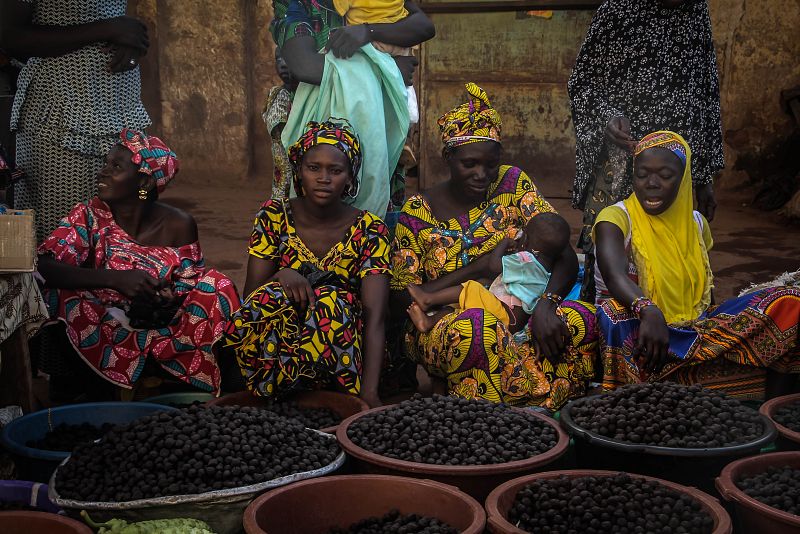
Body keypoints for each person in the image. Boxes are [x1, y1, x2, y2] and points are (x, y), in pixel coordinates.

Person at [391, 83, 598, 410]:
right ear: (448, 158)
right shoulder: (417, 212)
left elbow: (564, 254)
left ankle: (543, 405)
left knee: (582, 317)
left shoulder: (512, 183)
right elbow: (405, 295)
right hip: (446, 321)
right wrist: (482, 268)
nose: (482, 174)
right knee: (478, 328)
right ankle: (484, 415)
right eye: (469, 164)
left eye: (490, 164)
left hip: (520, 313)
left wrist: (547, 305)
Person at [594, 131, 800, 399]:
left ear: (683, 180)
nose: (651, 184)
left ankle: (773, 407)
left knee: (790, 302)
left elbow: (704, 289)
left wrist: (717, 329)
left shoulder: (696, 223)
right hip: (642, 331)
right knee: (613, 314)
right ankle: (648, 387)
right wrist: (647, 309)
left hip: (694, 329)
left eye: (665, 175)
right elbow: (613, 274)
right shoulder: (615, 218)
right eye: (642, 175)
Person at [37, 130, 240, 394]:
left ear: (144, 183)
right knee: (58, 294)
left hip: (167, 331)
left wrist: (164, 301)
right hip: (104, 333)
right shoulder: (89, 216)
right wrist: (116, 280)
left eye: (116, 167)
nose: (103, 173)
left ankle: (231, 390)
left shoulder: (178, 225)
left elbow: (189, 286)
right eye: (106, 164)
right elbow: (43, 265)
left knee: (218, 286)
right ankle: (92, 387)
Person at [224, 119, 390, 408]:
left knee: (329, 301)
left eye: (335, 170)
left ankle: (334, 395)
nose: (324, 178)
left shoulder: (370, 230)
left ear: (350, 177)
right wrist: (282, 275)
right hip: (279, 345)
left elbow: (375, 316)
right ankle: (266, 389)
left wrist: (370, 393)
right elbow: (252, 298)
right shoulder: (274, 216)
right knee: (271, 298)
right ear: (299, 172)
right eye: (314, 168)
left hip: (342, 348)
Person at [568, 0, 722, 301]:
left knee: (675, 248)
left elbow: (706, 91)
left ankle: (678, 316)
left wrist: (703, 176)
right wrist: (608, 117)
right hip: (621, 162)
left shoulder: (695, 10)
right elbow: (582, 83)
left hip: (675, 167)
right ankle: (609, 321)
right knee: (613, 250)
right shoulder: (617, 10)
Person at [1, 0, 151, 243]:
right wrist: (108, 29)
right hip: (62, 117)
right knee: (63, 231)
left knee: (130, 211)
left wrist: (132, 36)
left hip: (121, 103)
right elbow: (10, 36)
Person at [271, 0, 434, 218]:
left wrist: (368, 31)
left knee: (373, 213)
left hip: (376, 125)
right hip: (316, 132)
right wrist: (389, 70)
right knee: (312, 213)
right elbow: (306, 66)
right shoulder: (296, 4)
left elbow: (423, 25)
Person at [406, 212, 571, 335]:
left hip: (504, 316)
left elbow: (493, 266)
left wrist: (503, 244)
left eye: (521, 235)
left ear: (526, 241)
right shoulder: (545, 272)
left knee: (472, 288)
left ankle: (428, 299)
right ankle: (428, 322)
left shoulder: (526, 260)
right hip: (510, 322)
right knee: (460, 307)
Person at [263, 46, 298, 200]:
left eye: (288, 57)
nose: (283, 64)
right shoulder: (276, 94)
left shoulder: (312, 98)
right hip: (281, 172)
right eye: (278, 59)